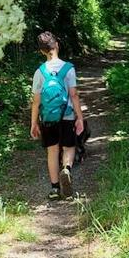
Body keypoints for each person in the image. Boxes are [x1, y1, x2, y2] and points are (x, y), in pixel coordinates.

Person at [30, 31, 85, 200]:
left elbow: (36, 101)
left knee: (52, 151)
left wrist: (34, 123)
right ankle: (67, 169)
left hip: (48, 117)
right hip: (67, 115)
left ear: (42, 51)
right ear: (57, 45)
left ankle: (55, 189)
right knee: (69, 146)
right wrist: (80, 117)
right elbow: (74, 95)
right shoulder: (68, 68)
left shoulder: (40, 72)